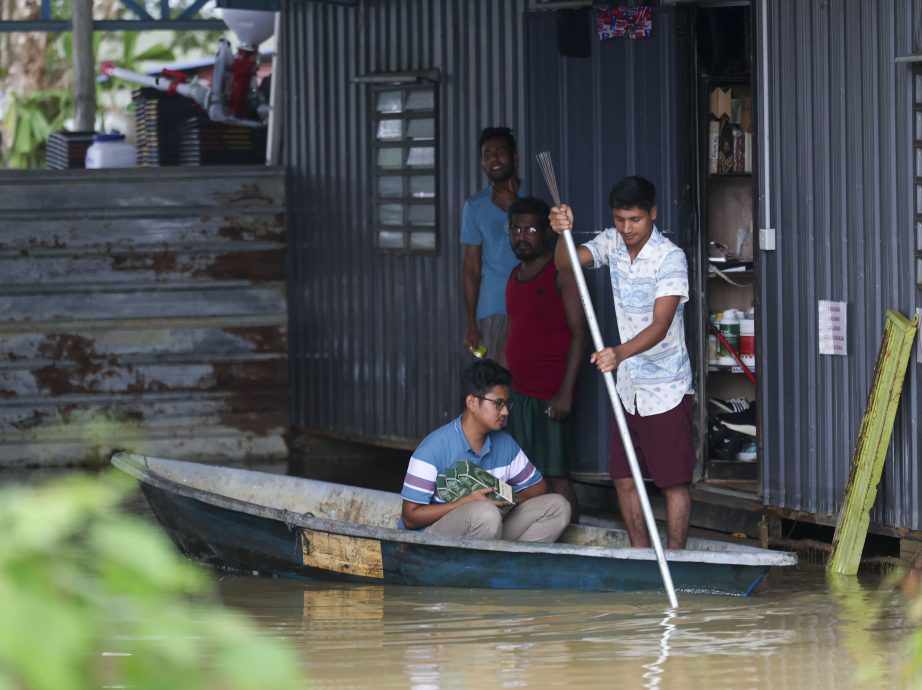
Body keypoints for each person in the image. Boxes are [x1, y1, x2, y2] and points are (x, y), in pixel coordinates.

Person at [549, 176, 694, 549]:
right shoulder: (611, 242)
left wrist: (618, 353)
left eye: (635, 220)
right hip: (629, 389)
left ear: (653, 214)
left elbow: (661, 325)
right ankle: (642, 556)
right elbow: (565, 264)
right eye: (620, 219)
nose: (627, 228)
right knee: (624, 478)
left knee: (673, 483)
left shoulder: (670, 257)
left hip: (666, 388)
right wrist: (562, 233)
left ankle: (677, 560)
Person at [400, 359, 571, 542]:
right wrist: (465, 503)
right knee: (486, 513)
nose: (505, 412)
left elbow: (538, 487)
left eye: (507, 404)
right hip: (433, 540)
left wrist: (504, 502)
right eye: (498, 403)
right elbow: (410, 518)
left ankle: (511, 560)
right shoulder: (433, 449)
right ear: (472, 403)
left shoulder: (505, 444)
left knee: (558, 506)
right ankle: (478, 557)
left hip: (490, 526)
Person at [498, 196, 587, 522]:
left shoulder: (560, 272)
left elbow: (580, 335)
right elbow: (511, 332)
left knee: (555, 475)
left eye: (531, 230)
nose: (522, 236)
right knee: (518, 472)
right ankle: (530, 536)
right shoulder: (514, 276)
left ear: (546, 233)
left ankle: (576, 541)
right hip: (518, 393)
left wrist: (565, 394)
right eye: (516, 229)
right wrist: (498, 390)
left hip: (550, 395)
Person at [461, 126, 527, 359]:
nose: (494, 159)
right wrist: (471, 322)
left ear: (515, 158)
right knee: (495, 377)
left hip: (532, 302)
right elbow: (471, 268)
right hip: (493, 307)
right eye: (487, 155)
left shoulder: (534, 196)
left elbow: (550, 242)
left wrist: (514, 206)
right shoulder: (474, 206)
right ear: (482, 163)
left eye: (500, 152)